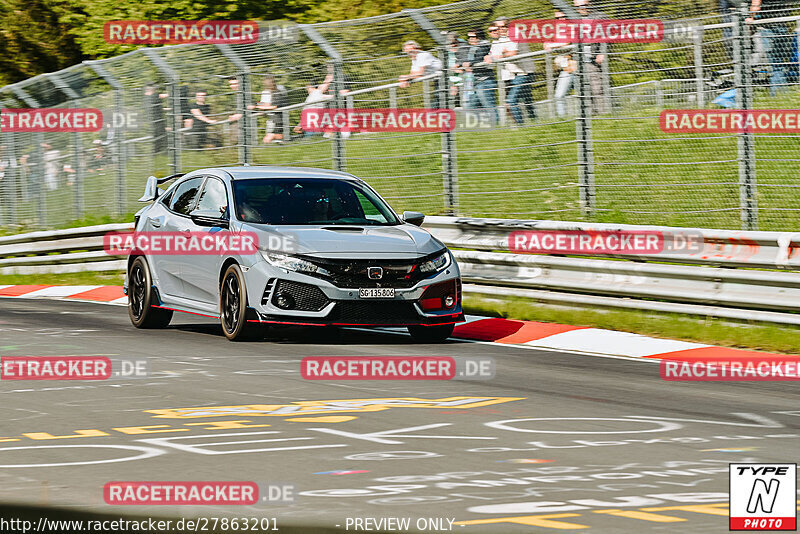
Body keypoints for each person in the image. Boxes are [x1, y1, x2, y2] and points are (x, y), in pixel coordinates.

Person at [492, 16, 537, 124]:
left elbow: (512, 53)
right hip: (513, 74)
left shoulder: (515, 33)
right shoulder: (500, 39)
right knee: (527, 100)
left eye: (503, 26)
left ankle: (521, 126)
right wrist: (501, 54)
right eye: (498, 27)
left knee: (512, 100)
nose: (501, 29)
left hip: (524, 73)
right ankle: (534, 122)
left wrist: (502, 54)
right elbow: (493, 55)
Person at [749, 0, 793, 96]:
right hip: (782, 26)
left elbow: (756, 4)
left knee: (774, 64)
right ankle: (781, 94)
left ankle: (776, 95)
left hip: (768, 28)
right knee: (779, 63)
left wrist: (750, 17)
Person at [575, 0, 609, 114]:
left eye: (583, 6)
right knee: (584, 89)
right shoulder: (575, 19)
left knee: (597, 88)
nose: (581, 9)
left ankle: (603, 113)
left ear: (589, 4)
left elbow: (609, 35)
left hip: (595, 57)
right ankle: (591, 115)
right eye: (578, 7)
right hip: (580, 58)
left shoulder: (600, 16)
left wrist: (602, 52)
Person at [545, 11, 578, 117]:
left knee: (584, 94)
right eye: (557, 18)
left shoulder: (573, 27)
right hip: (566, 69)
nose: (561, 20)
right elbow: (545, 44)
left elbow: (567, 43)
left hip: (577, 67)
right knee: (559, 95)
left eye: (563, 17)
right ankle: (562, 120)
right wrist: (551, 44)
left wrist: (553, 45)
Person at [399, 40, 444, 108]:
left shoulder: (422, 55)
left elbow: (420, 73)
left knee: (438, 103)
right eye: (407, 52)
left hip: (444, 79)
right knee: (437, 102)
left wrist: (406, 77)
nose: (409, 54)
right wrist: (405, 79)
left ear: (417, 49)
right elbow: (413, 73)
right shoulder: (414, 58)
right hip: (437, 80)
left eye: (410, 51)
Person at [463, 28, 497, 117]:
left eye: (473, 37)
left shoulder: (484, 46)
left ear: (479, 37)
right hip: (477, 81)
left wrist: (470, 63)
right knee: (470, 107)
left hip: (485, 80)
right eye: (469, 37)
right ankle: (484, 126)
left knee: (489, 106)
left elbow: (480, 57)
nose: (470, 39)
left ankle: (497, 126)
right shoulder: (472, 48)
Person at [250, 74, 289, 144]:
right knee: (272, 139)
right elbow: (265, 105)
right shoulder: (266, 92)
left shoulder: (277, 92)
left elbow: (274, 106)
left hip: (277, 119)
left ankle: (286, 138)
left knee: (269, 138)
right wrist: (257, 106)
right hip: (270, 119)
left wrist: (257, 107)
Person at [294, 72, 333, 138]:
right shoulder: (313, 96)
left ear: (310, 87)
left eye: (307, 88)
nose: (307, 90)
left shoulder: (315, 93)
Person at [444, 32, 468, 105]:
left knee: (465, 101)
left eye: (454, 43)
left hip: (464, 79)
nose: (453, 45)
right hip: (452, 80)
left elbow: (466, 60)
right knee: (453, 101)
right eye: (450, 43)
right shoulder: (446, 52)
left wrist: (459, 67)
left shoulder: (463, 47)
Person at [144, 84, 166, 154]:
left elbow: (157, 108)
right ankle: (156, 152)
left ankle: (159, 152)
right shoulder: (151, 97)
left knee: (161, 136)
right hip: (154, 121)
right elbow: (162, 96)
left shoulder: (152, 98)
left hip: (158, 120)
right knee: (158, 137)